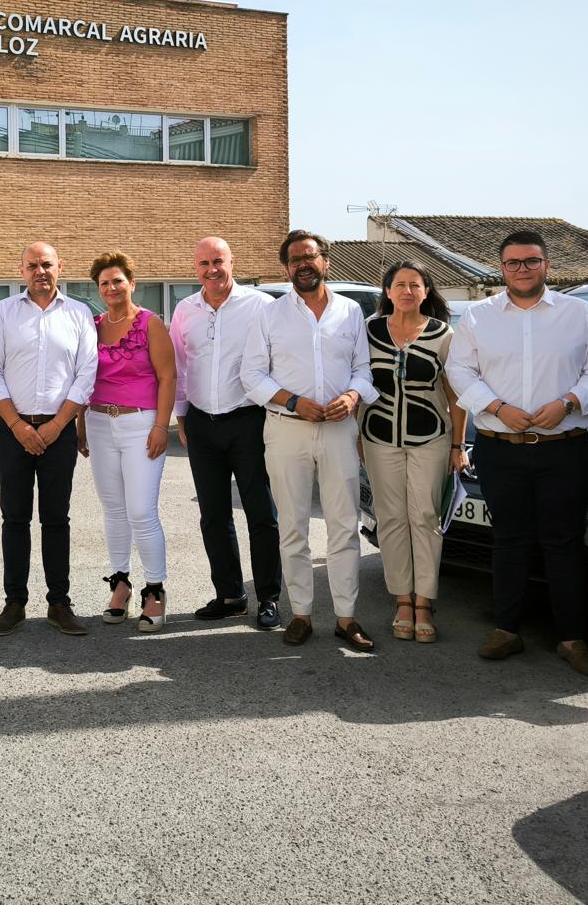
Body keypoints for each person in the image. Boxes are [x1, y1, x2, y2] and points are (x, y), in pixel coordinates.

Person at [448, 229, 588, 676]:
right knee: (508, 540)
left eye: (531, 261)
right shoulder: (479, 317)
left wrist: (569, 403)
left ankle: (572, 638)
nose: (523, 269)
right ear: (501, 269)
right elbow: (459, 371)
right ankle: (507, 629)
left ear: (547, 265)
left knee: (563, 543)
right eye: (514, 263)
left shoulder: (578, 314)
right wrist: (497, 407)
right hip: (501, 447)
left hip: (564, 449)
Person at [240, 229, 379, 650]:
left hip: (339, 430)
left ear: (326, 261)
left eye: (310, 256)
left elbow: (364, 369)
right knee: (293, 526)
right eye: (295, 259)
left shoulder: (351, 311)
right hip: (286, 429)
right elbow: (251, 376)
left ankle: (346, 617)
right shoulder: (269, 314)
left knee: (342, 525)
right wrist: (293, 401)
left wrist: (353, 395)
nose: (303, 264)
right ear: (287, 267)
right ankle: (300, 614)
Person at [0, 241, 98, 637]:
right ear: (21, 271)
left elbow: (87, 373)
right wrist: (17, 425)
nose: (40, 271)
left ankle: (59, 602)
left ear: (60, 267)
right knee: (14, 518)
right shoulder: (4, 314)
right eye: (32, 265)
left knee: (55, 518)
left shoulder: (79, 314)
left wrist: (56, 425)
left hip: (58, 430)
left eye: (47, 264)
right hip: (13, 430)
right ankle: (14, 602)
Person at [170, 237, 282, 630]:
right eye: (203, 263)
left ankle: (269, 597)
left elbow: (277, 361)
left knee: (261, 513)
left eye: (218, 261)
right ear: (195, 268)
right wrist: (181, 418)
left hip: (248, 421)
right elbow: (181, 369)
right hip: (202, 424)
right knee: (213, 516)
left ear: (232, 261)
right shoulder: (185, 310)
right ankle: (231, 595)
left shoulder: (262, 306)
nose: (211, 269)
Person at [358, 261, 467, 643]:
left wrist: (458, 446)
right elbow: (356, 381)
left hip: (432, 438)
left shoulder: (444, 335)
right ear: (387, 292)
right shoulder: (368, 331)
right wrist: (356, 437)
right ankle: (402, 600)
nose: (407, 291)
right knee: (389, 519)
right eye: (399, 285)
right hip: (377, 437)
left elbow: (456, 397)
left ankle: (425, 602)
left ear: (425, 291)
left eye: (414, 285)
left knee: (424, 516)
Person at [78, 251, 176, 632]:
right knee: (113, 510)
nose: (111, 287)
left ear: (132, 284)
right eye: (104, 283)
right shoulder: (93, 325)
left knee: (140, 510)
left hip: (141, 424)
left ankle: (156, 589)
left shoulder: (151, 324)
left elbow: (168, 377)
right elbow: (84, 378)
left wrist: (161, 427)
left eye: (118, 280)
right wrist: (81, 426)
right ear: (98, 289)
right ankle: (120, 584)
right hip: (100, 423)